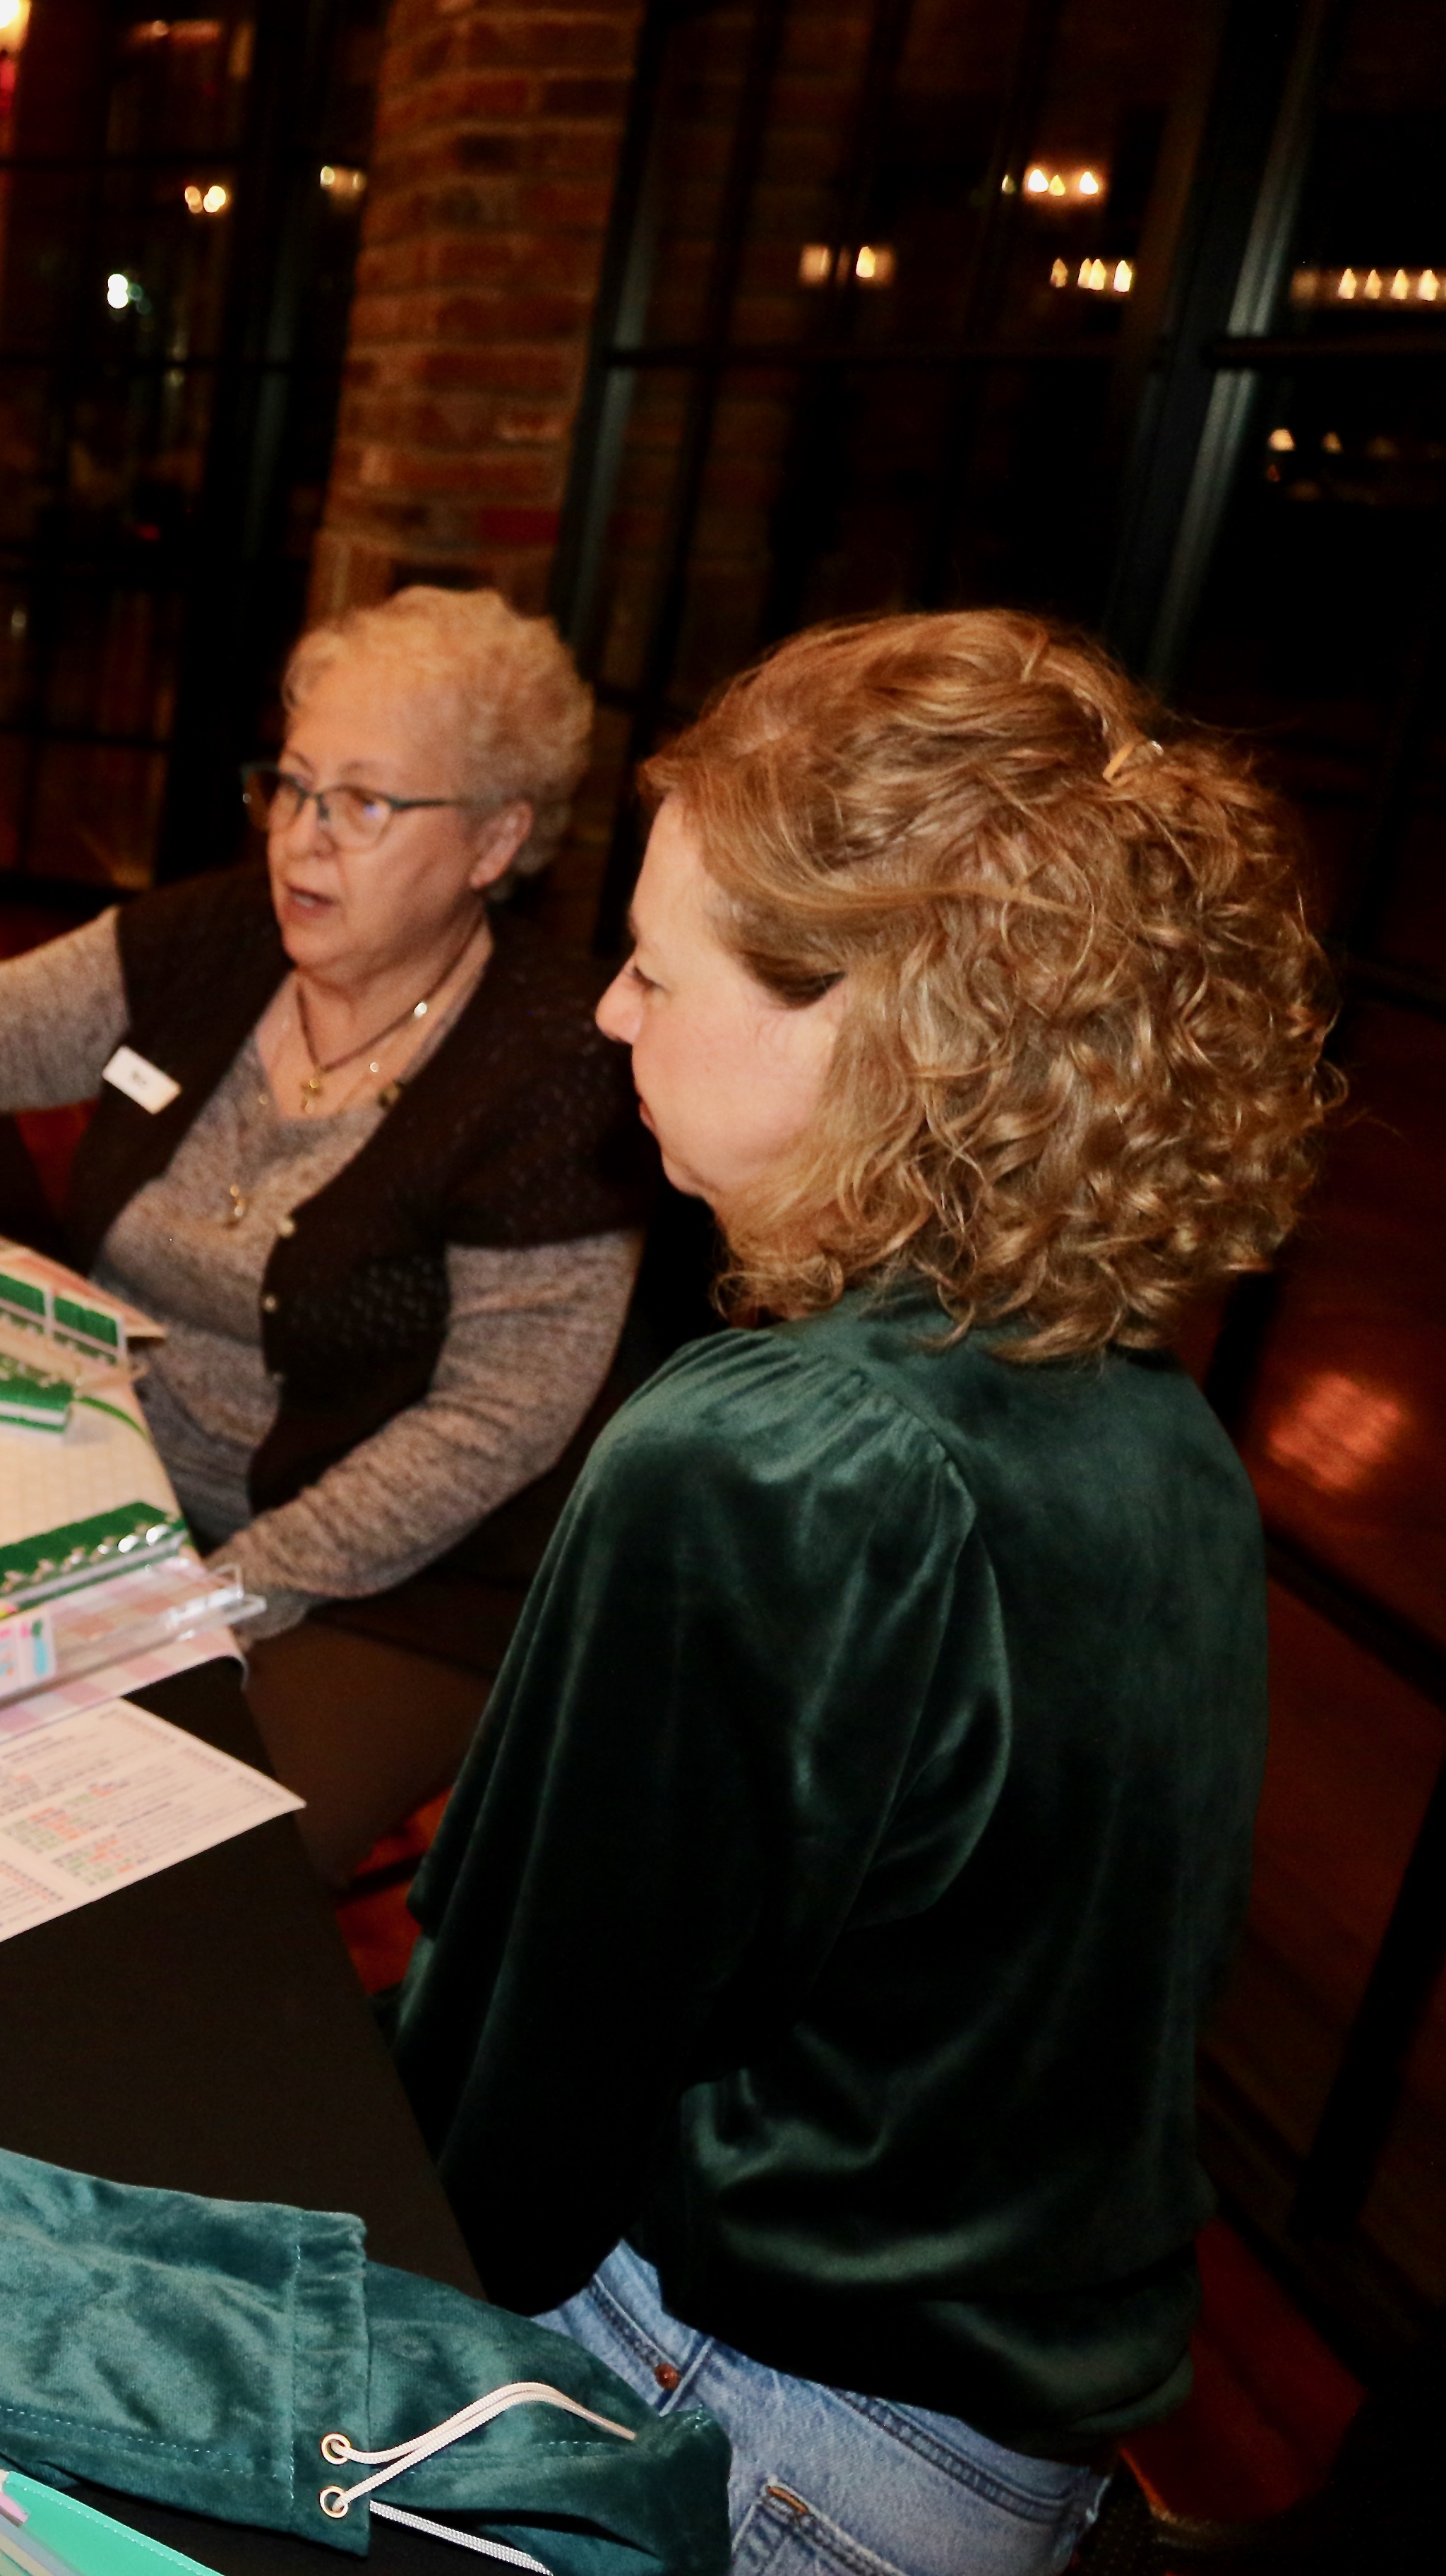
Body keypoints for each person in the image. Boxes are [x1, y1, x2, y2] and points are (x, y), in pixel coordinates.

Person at [389, 611, 1329, 2575]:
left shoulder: (762, 1458)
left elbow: (511, 2130)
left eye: (658, 968)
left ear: (868, 1024)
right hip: (1013, 2467)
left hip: (757, 2425)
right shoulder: (1146, 1411)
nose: (608, 1015)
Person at [0, 585, 650, 1879]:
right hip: (119, 1477)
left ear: (494, 839)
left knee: (148, 1858)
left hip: (396, 1582)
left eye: (363, 804)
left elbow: (493, 1427)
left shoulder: (559, 1062)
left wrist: (215, 1594)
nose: (301, 840)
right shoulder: (219, 938)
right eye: (292, 787)